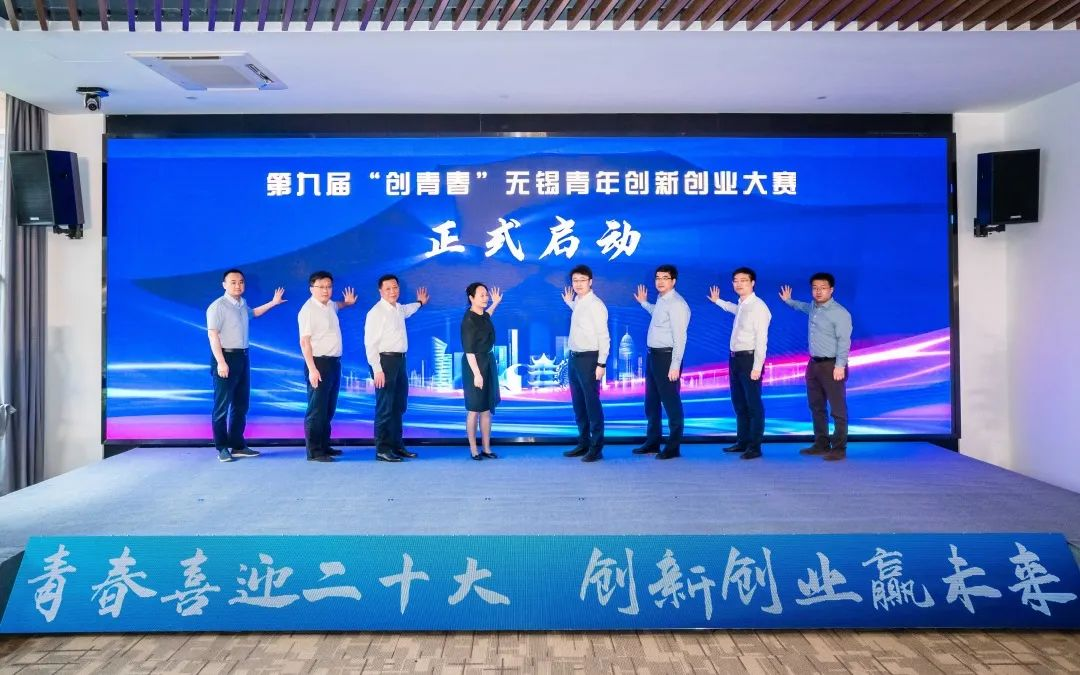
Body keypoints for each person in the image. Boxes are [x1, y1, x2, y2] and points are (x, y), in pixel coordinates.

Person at [206, 269, 286, 462]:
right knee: (222, 406)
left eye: (241, 282)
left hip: (243, 357)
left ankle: (238, 445)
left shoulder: (241, 304)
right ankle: (222, 447)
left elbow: (253, 313)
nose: (238, 285)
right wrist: (221, 362)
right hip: (226, 357)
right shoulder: (217, 306)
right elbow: (212, 335)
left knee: (241, 404)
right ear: (224, 285)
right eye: (233, 282)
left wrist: (273, 303)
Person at [780, 272, 853, 461]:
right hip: (813, 365)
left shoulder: (840, 313)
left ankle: (839, 448)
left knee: (837, 409)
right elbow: (803, 307)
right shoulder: (814, 307)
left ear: (831, 290)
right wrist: (789, 301)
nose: (818, 291)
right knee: (816, 406)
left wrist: (840, 365)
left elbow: (844, 342)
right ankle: (821, 443)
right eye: (815, 288)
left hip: (832, 365)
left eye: (823, 288)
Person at [364, 274, 429, 463]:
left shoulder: (398, 308)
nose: (393, 291)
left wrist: (420, 303)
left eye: (395, 287)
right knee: (385, 407)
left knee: (398, 406)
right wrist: (377, 369)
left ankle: (397, 446)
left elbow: (408, 310)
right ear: (380, 291)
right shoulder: (376, 313)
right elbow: (370, 344)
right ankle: (383, 449)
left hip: (400, 362)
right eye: (388, 289)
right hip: (384, 363)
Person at [709, 266, 772, 460]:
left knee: (753, 405)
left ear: (753, 283)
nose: (739, 284)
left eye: (743, 280)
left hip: (749, 360)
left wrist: (757, 367)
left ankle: (755, 447)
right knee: (739, 403)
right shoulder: (743, 305)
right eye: (735, 281)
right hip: (735, 358)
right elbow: (734, 309)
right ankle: (742, 442)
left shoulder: (759, 307)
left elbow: (762, 340)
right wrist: (718, 301)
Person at [632, 264, 691, 460]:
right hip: (653, 356)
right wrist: (644, 303)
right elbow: (658, 315)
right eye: (658, 278)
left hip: (667, 358)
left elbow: (680, 338)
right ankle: (653, 442)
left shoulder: (677, 304)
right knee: (652, 403)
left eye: (665, 278)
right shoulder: (662, 300)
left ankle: (673, 447)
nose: (660, 281)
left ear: (673, 281)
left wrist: (675, 365)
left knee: (671, 403)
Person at [298, 271, 357, 462]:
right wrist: (312, 369)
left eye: (329, 286)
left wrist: (346, 303)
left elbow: (337, 305)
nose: (325, 290)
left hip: (333, 363)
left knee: (328, 408)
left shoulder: (330, 305)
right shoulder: (308, 311)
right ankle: (314, 452)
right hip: (318, 364)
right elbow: (304, 342)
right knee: (316, 409)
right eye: (321, 287)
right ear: (311, 289)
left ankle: (324, 445)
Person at [561, 265, 609, 463]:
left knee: (592, 405)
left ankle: (596, 448)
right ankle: (583, 443)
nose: (578, 284)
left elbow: (604, 336)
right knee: (579, 404)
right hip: (574, 358)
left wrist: (601, 364)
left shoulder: (596, 305)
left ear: (590, 282)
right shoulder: (580, 302)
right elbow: (582, 318)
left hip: (590, 359)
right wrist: (570, 303)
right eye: (575, 280)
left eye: (582, 280)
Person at [461, 282, 503, 460]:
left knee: (486, 408)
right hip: (474, 365)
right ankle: (473, 449)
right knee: (474, 408)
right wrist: (477, 374)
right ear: (471, 298)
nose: (486, 298)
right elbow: (469, 351)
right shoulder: (469, 320)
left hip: (487, 362)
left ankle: (486, 448)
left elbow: (487, 316)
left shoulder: (482, 315)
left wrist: (496, 303)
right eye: (482, 295)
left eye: (486, 295)